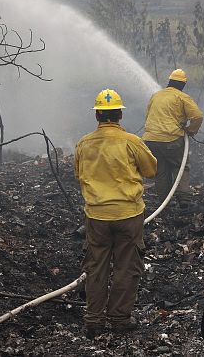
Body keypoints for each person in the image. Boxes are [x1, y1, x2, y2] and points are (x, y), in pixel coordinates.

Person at [74, 88, 157, 339]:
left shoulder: (83, 144)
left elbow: (79, 174)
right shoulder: (132, 142)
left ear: (97, 115)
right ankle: (120, 318)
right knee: (126, 266)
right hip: (129, 214)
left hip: (96, 216)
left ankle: (93, 320)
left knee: (96, 266)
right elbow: (151, 170)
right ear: (119, 114)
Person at [142, 69, 204, 206]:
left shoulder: (156, 95)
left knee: (160, 171)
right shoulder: (182, 97)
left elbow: (148, 117)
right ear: (183, 85)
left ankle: (164, 202)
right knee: (179, 166)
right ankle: (184, 200)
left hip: (151, 139)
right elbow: (198, 116)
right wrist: (191, 130)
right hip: (171, 139)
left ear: (169, 82)